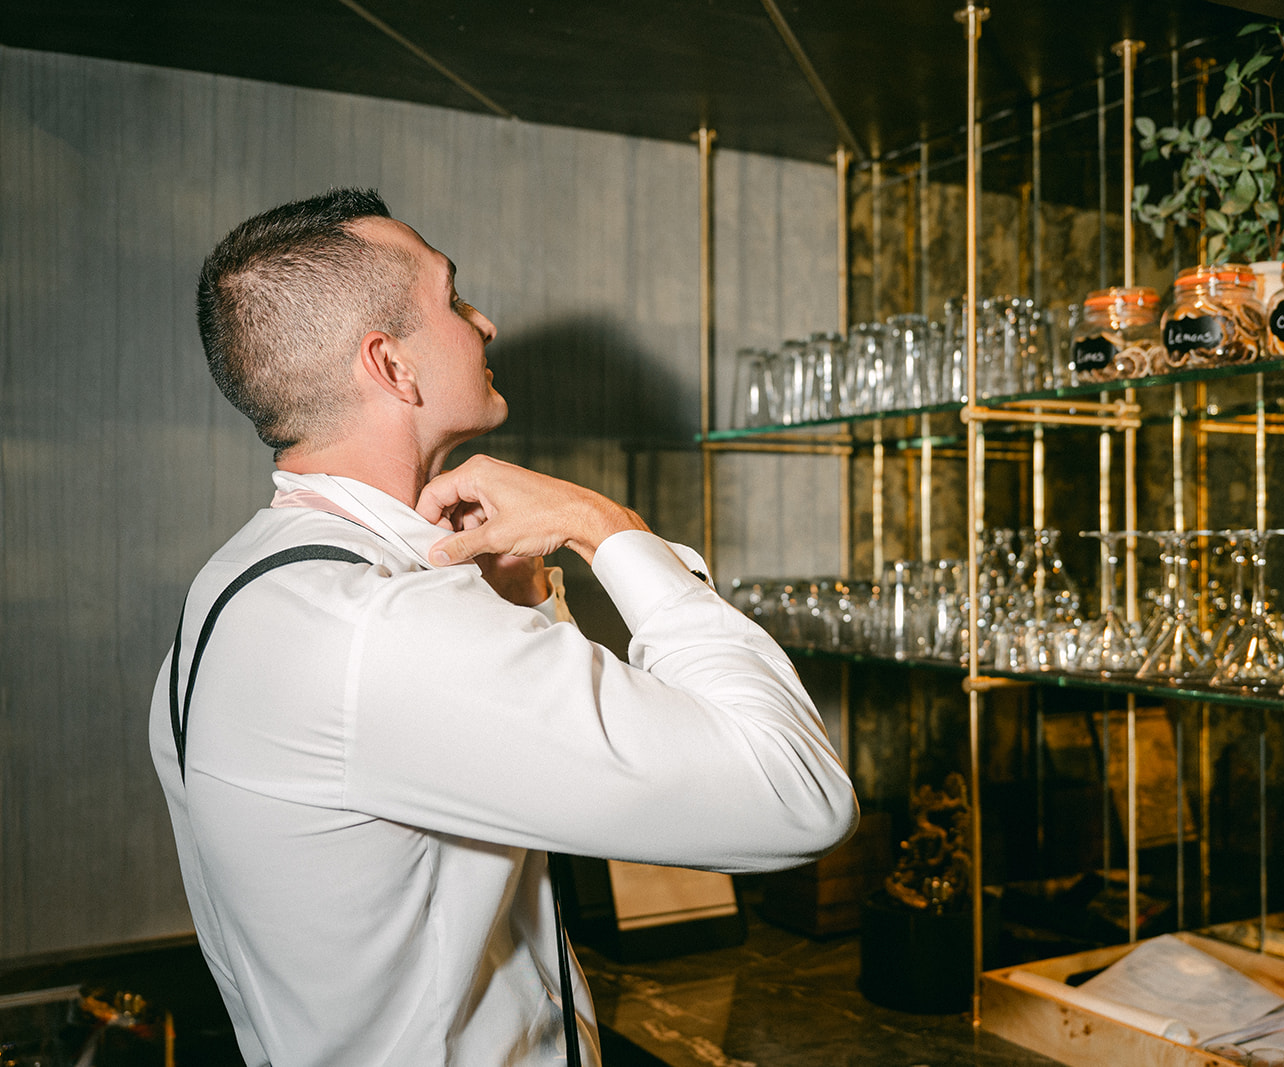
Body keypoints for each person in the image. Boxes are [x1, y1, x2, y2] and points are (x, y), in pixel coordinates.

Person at [149, 189, 858, 1067]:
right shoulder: (382, 630)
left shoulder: (242, 585)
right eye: (452, 298)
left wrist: (527, 602)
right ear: (392, 367)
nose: (483, 323)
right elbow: (797, 794)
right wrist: (605, 523)